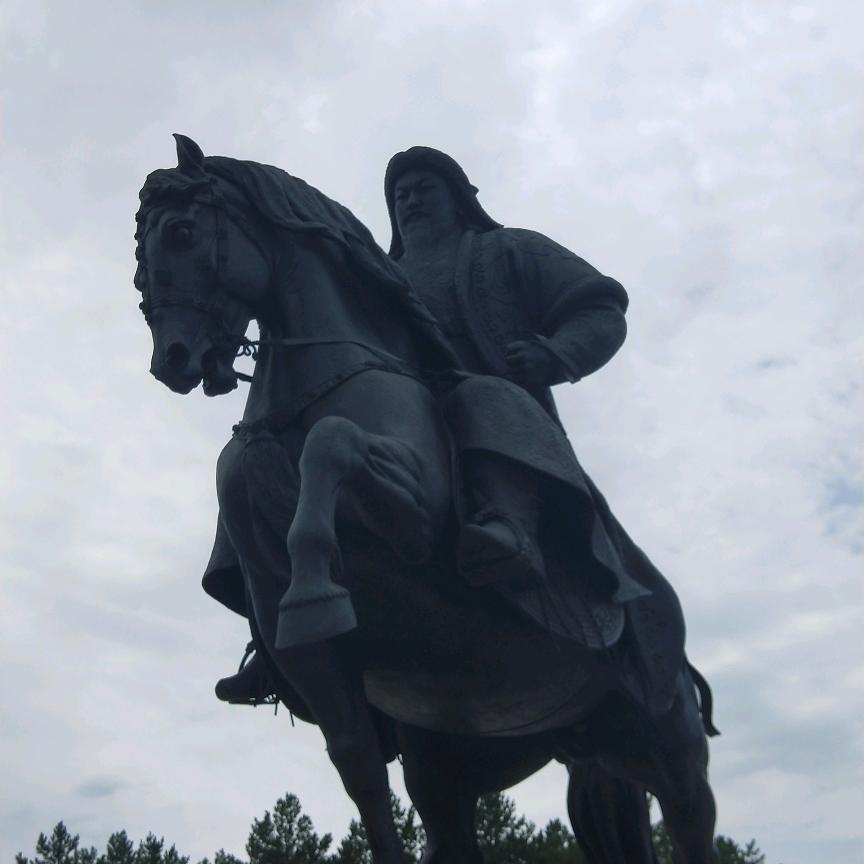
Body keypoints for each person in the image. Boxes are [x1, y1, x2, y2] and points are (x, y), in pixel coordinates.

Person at [215, 147, 678, 709]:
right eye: (399, 194)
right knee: (254, 449)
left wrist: (556, 355)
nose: (409, 200)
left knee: (480, 396)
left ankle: (509, 528)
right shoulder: (375, 276)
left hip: (486, 400)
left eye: (423, 188)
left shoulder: (506, 250)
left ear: (458, 197)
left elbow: (600, 306)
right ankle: (269, 626)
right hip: (388, 414)